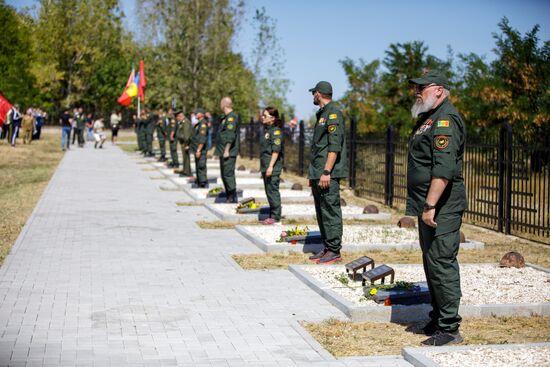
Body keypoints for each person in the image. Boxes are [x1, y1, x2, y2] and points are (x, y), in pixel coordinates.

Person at [407, 70, 467, 346]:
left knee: (441, 262)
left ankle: (450, 328)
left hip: (441, 207)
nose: (417, 93)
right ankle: (439, 316)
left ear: (439, 90)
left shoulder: (445, 120)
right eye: (416, 88)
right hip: (427, 206)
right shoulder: (429, 119)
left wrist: (430, 204)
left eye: (422, 88)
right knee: (431, 261)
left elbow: (443, 170)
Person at [307, 81, 348, 264]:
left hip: (327, 173)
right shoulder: (322, 114)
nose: (312, 96)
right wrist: (313, 174)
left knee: (330, 209)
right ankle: (327, 246)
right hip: (318, 172)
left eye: (313, 93)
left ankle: (334, 249)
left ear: (318, 94)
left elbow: (334, 146)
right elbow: (319, 148)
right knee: (321, 210)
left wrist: (326, 171)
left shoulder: (333, 113)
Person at [259, 107, 284, 224]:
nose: (262, 117)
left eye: (265, 115)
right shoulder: (267, 131)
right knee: (268, 190)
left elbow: (276, 151)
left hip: (272, 167)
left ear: (272, 118)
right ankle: (272, 214)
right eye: (262, 115)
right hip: (266, 166)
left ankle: (275, 216)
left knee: (272, 190)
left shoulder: (276, 132)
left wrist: (270, 167)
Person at [215, 97, 240, 202]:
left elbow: (230, 135)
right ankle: (228, 194)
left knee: (228, 174)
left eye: (221, 103)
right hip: (223, 151)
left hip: (228, 152)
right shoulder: (225, 117)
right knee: (224, 174)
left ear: (224, 105)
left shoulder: (231, 118)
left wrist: (226, 150)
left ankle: (232, 196)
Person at [190, 109, 209, 188]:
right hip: (196, 149)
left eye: (196, 113)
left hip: (200, 149)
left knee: (201, 165)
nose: (195, 115)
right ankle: (199, 181)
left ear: (201, 114)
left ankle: (203, 182)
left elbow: (202, 138)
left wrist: (199, 150)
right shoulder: (198, 124)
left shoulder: (203, 124)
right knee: (198, 165)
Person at [176, 110, 193, 177]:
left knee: (186, 158)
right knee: (184, 157)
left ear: (180, 116)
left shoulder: (186, 122)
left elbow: (186, 135)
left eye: (177, 117)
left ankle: (188, 172)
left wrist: (186, 144)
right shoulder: (183, 122)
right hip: (183, 142)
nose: (177, 119)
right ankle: (185, 170)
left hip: (185, 143)